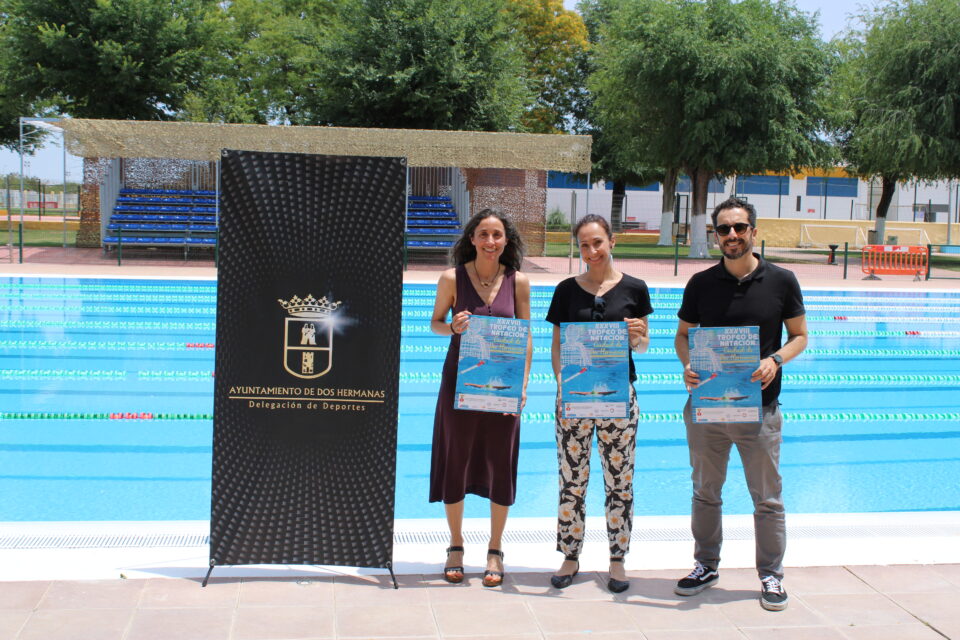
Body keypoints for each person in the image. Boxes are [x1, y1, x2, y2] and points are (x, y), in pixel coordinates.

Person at [673, 197, 808, 611]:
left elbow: (800, 335)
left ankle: (771, 574)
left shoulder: (781, 281)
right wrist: (688, 365)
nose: (732, 235)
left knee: (767, 497)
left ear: (753, 230)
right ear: (716, 235)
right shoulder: (701, 283)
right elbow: (682, 336)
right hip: (707, 408)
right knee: (705, 492)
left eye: (739, 227)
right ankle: (706, 566)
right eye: (724, 229)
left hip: (760, 410)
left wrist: (775, 360)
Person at [545, 214, 652, 594]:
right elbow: (558, 345)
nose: (591, 251)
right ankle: (570, 555)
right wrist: (562, 385)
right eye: (584, 245)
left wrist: (639, 336)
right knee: (571, 481)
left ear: (612, 242)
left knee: (619, 481)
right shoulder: (565, 290)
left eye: (597, 243)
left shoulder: (635, 289)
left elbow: (642, 344)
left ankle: (617, 559)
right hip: (573, 399)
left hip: (619, 400)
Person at [429, 208, 532, 588]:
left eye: (498, 235)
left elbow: (526, 335)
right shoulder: (451, 278)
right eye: (484, 234)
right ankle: (455, 544)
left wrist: (521, 385)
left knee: (500, 463)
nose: (491, 242)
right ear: (471, 238)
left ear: (507, 240)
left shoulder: (518, 282)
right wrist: (452, 327)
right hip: (460, 384)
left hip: (503, 389)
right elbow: (435, 323)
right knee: (456, 459)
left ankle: (495, 548)